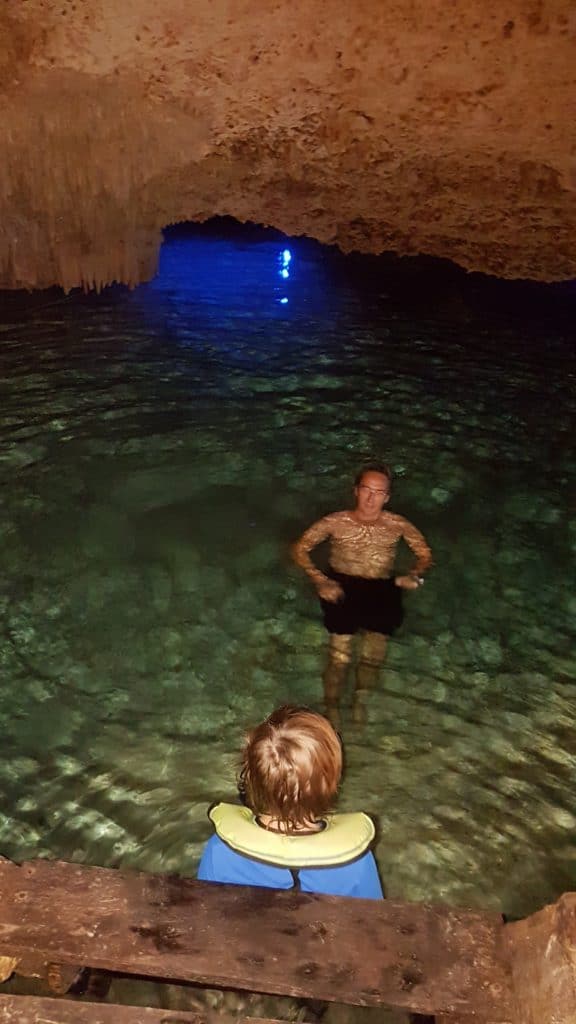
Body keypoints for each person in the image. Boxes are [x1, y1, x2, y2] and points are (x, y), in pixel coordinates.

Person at [197, 705, 383, 898]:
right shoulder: (354, 863)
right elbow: (374, 922)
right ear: (331, 784)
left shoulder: (219, 851)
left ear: (250, 778)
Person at [292, 464, 432, 719]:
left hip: (383, 589)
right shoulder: (335, 522)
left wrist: (414, 575)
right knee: (340, 658)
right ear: (356, 491)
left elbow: (424, 554)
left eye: (379, 492)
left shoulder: (398, 524)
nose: (371, 498)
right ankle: (331, 706)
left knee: (372, 657)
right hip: (342, 587)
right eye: (366, 490)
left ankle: (360, 700)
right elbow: (300, 549)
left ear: (387, 497)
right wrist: (319, 580)